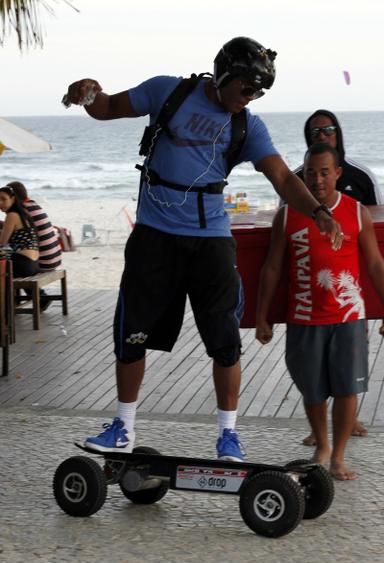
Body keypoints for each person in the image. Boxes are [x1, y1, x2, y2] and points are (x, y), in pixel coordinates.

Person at [64, 37, 341, 461]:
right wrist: (88, 93)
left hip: (211, 239)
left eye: (260, 92)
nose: (251, 98)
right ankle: (123, 427)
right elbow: (107, 108)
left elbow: (284, 179)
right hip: (154, 235)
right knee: (132, 333)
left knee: (225, 340)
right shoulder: (168, 92)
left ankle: (228, 436)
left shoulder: (247, 125)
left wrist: (318, 211)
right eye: (247, 88)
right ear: (226, 76)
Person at [256, 143, 384, 479]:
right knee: (312, 389)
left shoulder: (357, 212)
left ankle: (338, 455)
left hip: (348, 317)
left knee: (347, 389)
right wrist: (261, 316)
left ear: (338, 173)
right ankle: (322, 445)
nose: (317, 180)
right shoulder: (287, 214)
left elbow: (374, 264)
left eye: (325, 172)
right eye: (310, 172)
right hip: (304, 317)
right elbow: (272, 267)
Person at [295, 110, 384, 444]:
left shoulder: (361, 176)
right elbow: (285, 225)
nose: (322, 134)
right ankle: (318, 428)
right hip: (310, 288)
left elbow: (377, 228)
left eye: (329, 129)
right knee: (311, 365)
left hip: (351, 286)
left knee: (350, 356)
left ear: (338, 133)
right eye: (315, 130)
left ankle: (350, 418)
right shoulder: (296, 180)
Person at [4, 181, 62, 311]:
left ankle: (9, 305)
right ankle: (41, 298)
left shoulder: (20, 210)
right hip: (54, 257)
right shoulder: (33, 205)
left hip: (42, 260)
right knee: (20, 260)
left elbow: (8, 236)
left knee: (15, 264)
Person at [0, 184, 40, 278]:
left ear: (13, 199)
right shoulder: (23, 212)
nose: (0, 202)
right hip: (34, 263)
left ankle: (6, 292)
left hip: (23, 263)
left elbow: (2, 244)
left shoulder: (11, 215)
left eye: (4, 199)